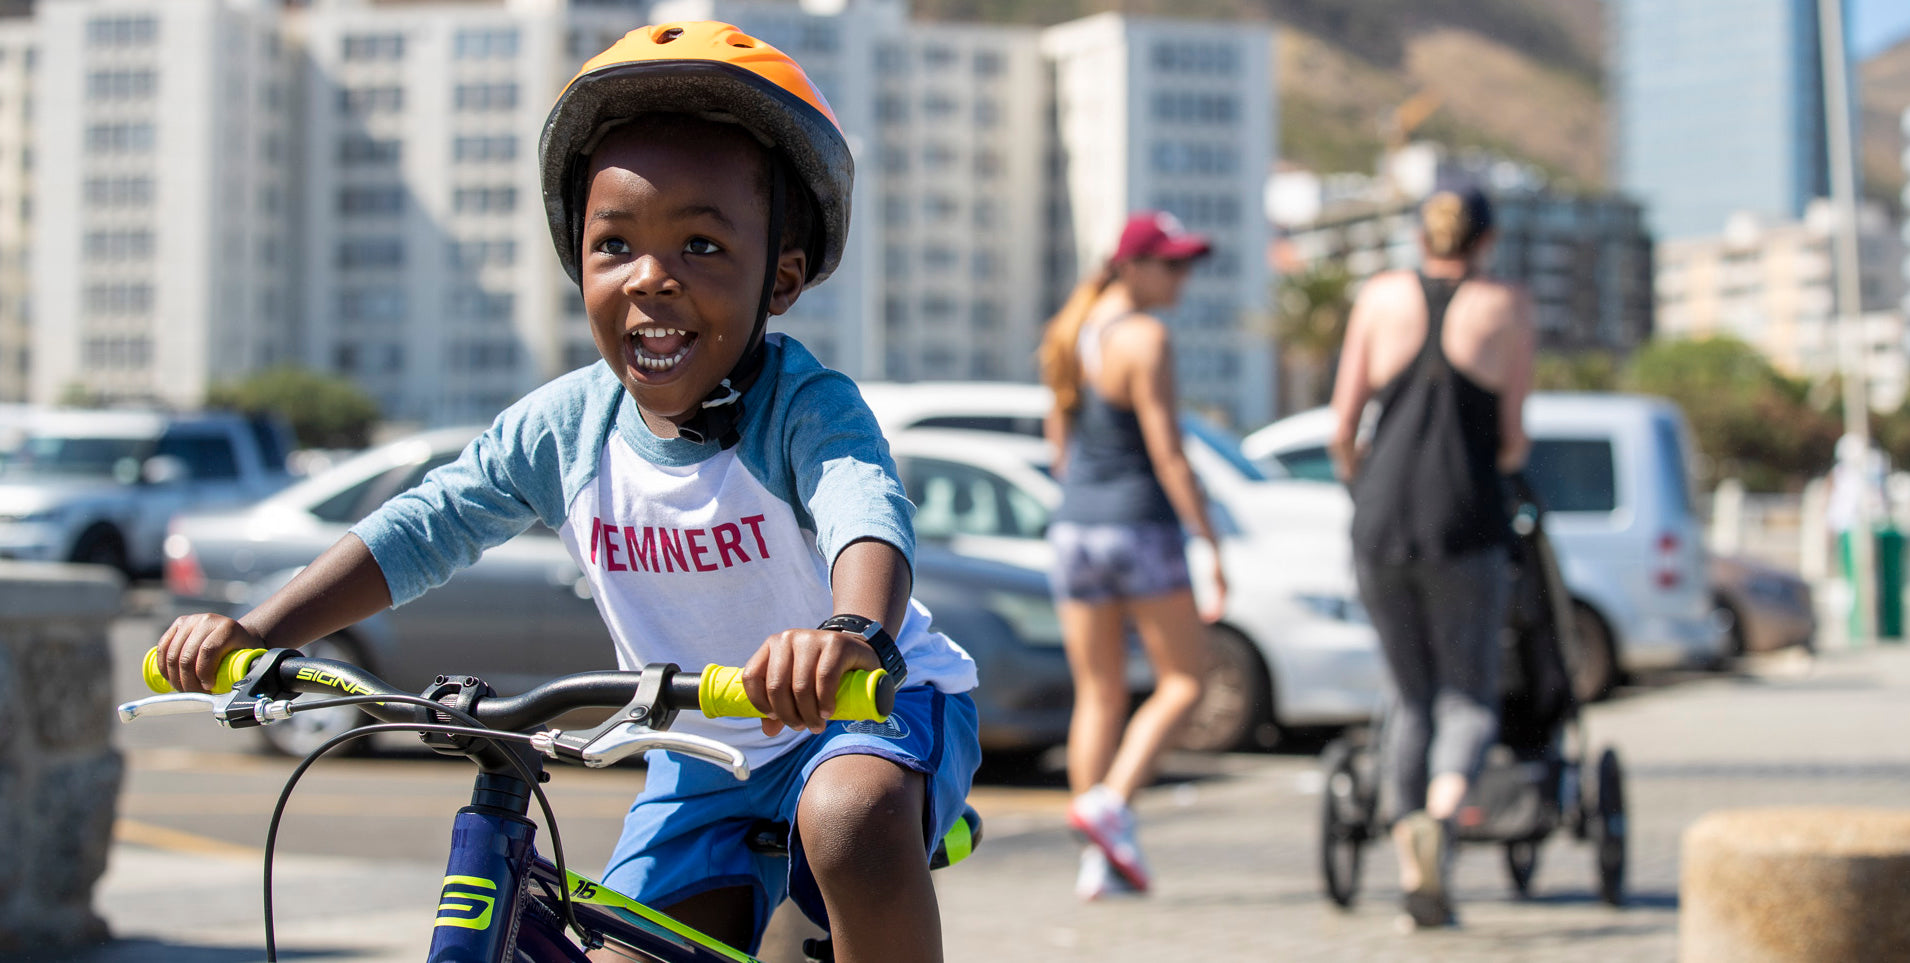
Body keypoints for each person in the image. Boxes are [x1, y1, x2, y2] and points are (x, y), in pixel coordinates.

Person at [152, 22, 980, 963]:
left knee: (848, 818)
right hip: (699, 761)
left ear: (780, 277)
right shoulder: (565, 427)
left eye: (703, 245)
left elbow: (864, 511)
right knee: (616, 952)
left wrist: (851, 632)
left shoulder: (803, 407)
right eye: (615, 245)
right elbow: (428, 524)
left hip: (872, 708)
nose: (652, 280)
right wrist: (260, 631)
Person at [1327, 186, 1535, 929]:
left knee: (1409, 694)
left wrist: (1364, 485)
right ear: (1488, 238)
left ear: (1421, 237)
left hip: (1382, 518)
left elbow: (1342, 423)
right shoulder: (1506, 305)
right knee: (1467, 696)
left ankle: (1403, 822)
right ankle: (1441, 818)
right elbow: (1512, 437)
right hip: (1465, 517)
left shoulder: (1380, 297)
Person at [1037, 211, 1227, 900]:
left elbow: (1059, 447)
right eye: (1172, 265)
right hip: (1139, 526)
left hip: (1075, 529)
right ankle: (1111, 801)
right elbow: (1169, 455)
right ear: (1131, 266)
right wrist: (1210, 538)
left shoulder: (1070, 331)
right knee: (1185, 681)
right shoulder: (1146, 338)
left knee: (1099, 692)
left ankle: (1100, 860)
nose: (1183, 278)